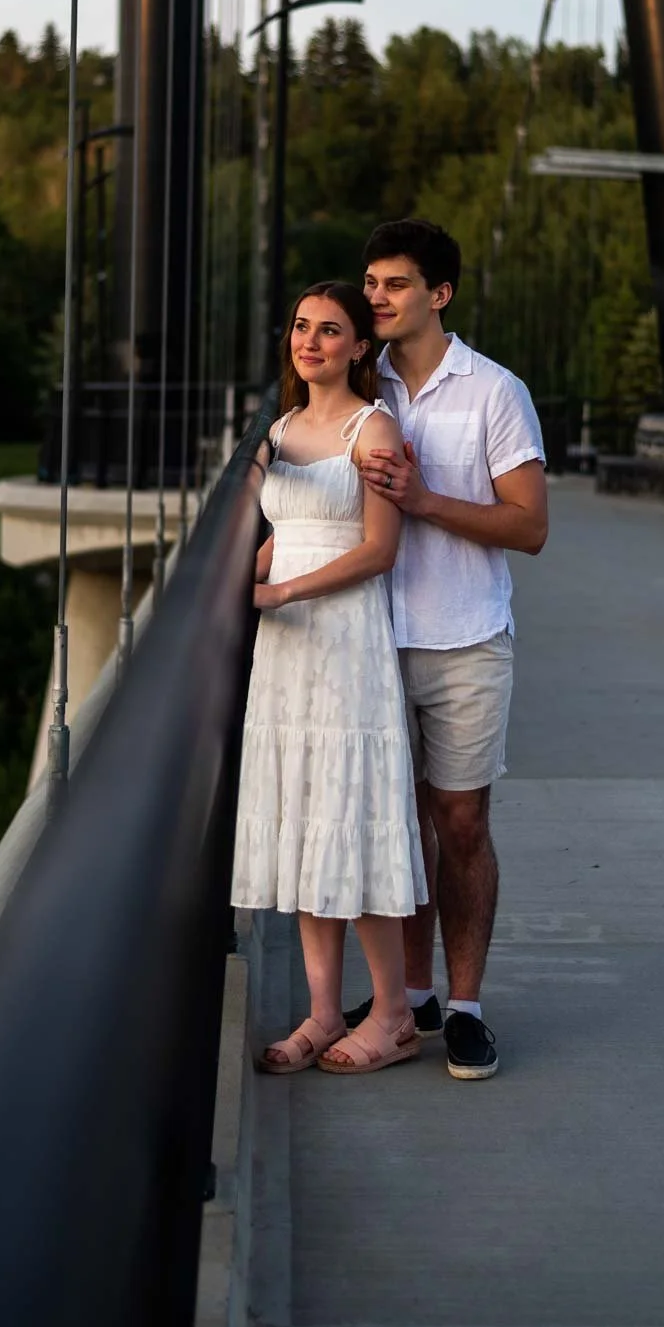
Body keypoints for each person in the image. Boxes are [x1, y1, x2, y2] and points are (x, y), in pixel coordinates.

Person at [346, 219, 548, 1082]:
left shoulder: (495, 392)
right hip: (371, 640)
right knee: (396, 828)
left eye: (394, 284)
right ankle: (409, 999)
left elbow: (529, 527)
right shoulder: (360, 384)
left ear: (440, 294)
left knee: (459, 825)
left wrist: (425, 500)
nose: (377, 298)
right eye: (370, 284)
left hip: (466, 639)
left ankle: (464, 1009)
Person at [231, 281, 428, 1076]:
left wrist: (281, 594)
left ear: (358, 347)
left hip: (344, 646)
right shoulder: (279, 430)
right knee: (309, 818)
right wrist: (243, 577)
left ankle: (392, 1015)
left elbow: (378, 550)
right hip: (286, 659)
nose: (309, 342)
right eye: (301, 327)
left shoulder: (370, 428)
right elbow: (284, 531)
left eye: (330, 330)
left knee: (352, 815)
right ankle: (320, 1013)